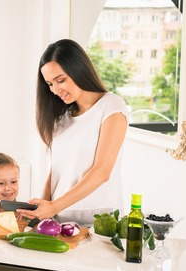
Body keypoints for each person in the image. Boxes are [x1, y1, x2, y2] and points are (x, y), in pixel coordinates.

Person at [18, 39, 128, 227]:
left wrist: (54, 207)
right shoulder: (62, 116)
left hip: (99, 219)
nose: (55, 90)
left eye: (60, 80)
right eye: (50, 84)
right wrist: (41, 211)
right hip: (60, 217)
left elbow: (102, 172)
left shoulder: (111, 106)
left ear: (79, 70)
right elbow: (56, 171)